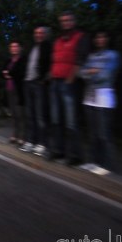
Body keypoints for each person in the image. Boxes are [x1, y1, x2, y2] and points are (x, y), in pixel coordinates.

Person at [48, 11, 90, 166]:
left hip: (69, 84)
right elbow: (55, 60)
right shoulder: (58, 40)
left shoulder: (80, 37)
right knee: (55, 120)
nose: (65, 23)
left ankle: (75, 154)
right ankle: (58, 150)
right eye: (63, 20)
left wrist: (69, 81)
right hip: (55, 82)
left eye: (68, 20)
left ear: (74, 21)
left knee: (71, 122)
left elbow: (80, 60)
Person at [79, 31, 120, 175]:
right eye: (98, 37)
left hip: (104, 96)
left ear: (108, 39)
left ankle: (106, 165)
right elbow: (81, 73)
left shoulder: (113, 55)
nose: (100, 39)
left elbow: (106, 75)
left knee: (103, 133)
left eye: (103, 36)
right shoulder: (91, 56)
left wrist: (91, 73)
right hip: (89, 96)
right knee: (92, 133)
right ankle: (93, 162)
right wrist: (92, 72)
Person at [20, 27, 52, 156]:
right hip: (28, 82)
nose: (38, 35)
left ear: (45, 35)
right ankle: (30, 141)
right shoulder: (33, 47)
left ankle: (42, 144)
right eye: (36, 33)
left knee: (39, 116)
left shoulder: (47, 47)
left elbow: (50, 65)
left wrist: (43, 80)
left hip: (38, 84)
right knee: (30, 115)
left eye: (41, 33)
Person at [2, 41, 26, 145]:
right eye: (12, 46)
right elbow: (3, 71)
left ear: (19, 48)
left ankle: (22, 136)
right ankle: (15, 134)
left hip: (18, 89)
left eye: (16, 46)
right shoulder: (9, 60)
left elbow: (19, 73)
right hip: (9, 88)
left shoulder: (21, 60)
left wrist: (9, 73)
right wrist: (7, 74)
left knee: (20, 113)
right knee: (13, 113)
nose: (14, 48)